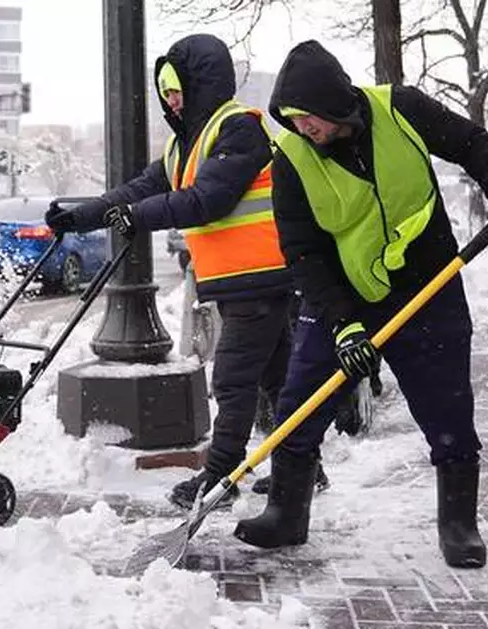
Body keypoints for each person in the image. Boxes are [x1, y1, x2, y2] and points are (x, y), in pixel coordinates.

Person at [231, 40, 488, 570]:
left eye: (308, 119)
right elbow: (303, 251)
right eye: (295, 121)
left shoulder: (402, 109)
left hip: (428, 287)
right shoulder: (293, 160)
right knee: (299, 402)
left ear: (333, 104)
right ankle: (286, 512)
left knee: (448, 409)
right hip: (344, 295)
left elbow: (470, 141)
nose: (304, 130)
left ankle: (459, 524)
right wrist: (344, 326)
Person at [44, 33, 307, 511]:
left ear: (200, 82)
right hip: (244, 280)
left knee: (231, 380)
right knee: (276, 377)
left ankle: (220, 478)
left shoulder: (237, 130)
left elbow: (208, 200)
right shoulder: (184, 145)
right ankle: (305, 465)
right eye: (163, 90)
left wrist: (139, 218)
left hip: (262, 277)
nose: (169, 98)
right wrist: (79, 216)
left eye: (175, 87)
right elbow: (137, 190)